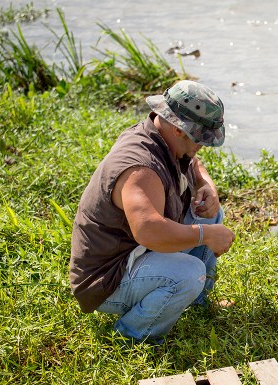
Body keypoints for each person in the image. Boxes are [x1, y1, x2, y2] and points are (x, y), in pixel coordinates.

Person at [69, 80, 236, 344]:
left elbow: (192, 161)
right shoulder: (140, 169)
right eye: (200, 138)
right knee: (188, 273)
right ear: (179, 128)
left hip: (139, 252)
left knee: (209, 213)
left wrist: (206, 185)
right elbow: (149, 231)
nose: (201, 146)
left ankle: (198, 301)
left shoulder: (165, 138)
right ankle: (131, 337)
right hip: (109, 278)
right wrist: (205, 235)